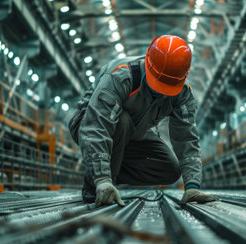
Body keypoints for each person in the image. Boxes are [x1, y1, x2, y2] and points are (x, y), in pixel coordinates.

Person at [69, 35, 216, 206]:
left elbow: (186, 138)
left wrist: (192, 185)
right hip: (89, 124)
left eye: (167, 88)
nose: (161, 93)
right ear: (147, 63)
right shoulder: (121, 76)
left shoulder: (182, 94)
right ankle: (95, 184)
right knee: (122, 121)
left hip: (136, 133)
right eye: (158, 85)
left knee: (170, 169)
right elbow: (96, 127)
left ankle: (109, 171)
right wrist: (102, 179)